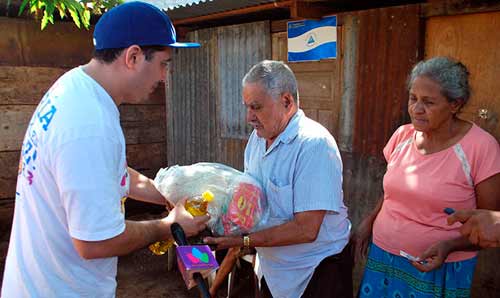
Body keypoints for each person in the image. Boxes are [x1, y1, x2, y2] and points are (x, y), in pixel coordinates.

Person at [1, 2, 209, 297]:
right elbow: (96, 243)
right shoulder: (88, 123)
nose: (163, 77)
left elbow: (106, 171)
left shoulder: (75, 88)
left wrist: (166, 192)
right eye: (164, 64)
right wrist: (168, 225)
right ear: (133, 56)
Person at [352, 56, 500, 297]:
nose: (416, 109)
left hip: (439, 266)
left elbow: (486, 226)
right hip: (383, 255)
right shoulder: (402, 136)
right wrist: (370, 220)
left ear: (455, 104)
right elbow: (392, 192)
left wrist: (450, 246)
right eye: (413, 98)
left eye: (428, 102)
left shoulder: (480, 147)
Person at [204, 60, 353, 298]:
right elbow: (252, 200)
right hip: (274, 270)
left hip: (316, 271)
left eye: (256, 107)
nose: (249, 117)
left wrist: (242, 241)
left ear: (287, 101)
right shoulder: (257, 140)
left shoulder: (314, 145)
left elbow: (306, 230)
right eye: (247, 107)